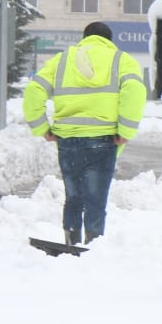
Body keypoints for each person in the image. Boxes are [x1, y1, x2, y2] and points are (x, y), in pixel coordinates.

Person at [22, 21, 146, 245]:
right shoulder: (121, 60)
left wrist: (42, 128)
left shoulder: (62, 60)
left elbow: (34, 90)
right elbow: (135, 91)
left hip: (68, 141)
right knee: (96, 201)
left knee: (73, 198)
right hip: (103, 140)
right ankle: (93, 246)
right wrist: (126, 131)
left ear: (84, 38)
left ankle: (71, 242)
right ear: (109, 40)